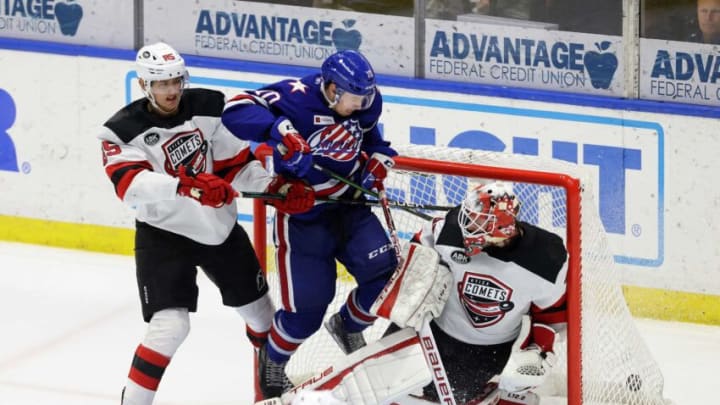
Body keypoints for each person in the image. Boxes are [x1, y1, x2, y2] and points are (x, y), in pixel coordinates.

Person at [98, 42, 315, 405]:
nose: (171, 91)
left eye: (175, 81)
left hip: (219, 229)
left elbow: (236, 166)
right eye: (162, 84)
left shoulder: (207, 106)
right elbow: (130, 186)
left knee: (264, 319)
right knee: (169, 328)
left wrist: (275, 188)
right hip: (163, 236)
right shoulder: (120, 131)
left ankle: (270, 392)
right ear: (144, 86)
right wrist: (185, 186)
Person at [221, 49, 399, 398]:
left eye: (366, 97)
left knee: (387, 278)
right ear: (332, 88)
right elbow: (234, 110)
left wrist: (380, 159)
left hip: (351, 208)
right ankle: (271, 362)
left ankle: (348, 326)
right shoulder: (295, 97)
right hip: (304, 218)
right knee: (306, 313)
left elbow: (372, 139)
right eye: (353, 97)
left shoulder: (365, 103)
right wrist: (278, 129)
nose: (361, 104)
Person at [409, 182, 568, 403]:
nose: (466, 226)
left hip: (483, 351)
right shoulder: (452, 229)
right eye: (469, 218)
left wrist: (539, 350)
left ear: (501, 229)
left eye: (478, 223)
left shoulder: (545, 259)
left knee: (440, 398)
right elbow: (419, 249)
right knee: (385, 383)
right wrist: (418, 285)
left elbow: (553, 316)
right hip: (431, 327)